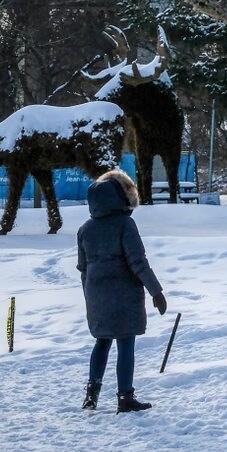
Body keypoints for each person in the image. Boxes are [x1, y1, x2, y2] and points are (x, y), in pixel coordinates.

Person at [75, 167, 167, 412]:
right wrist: (155, 291)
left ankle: (91, 396)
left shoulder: (85, 229)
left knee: (102, 342)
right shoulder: (125, 224)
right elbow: (138, 262)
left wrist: (89, 297)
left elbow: (83, 268)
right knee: (126, 342)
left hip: (95, 294)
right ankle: (125, 398)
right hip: (124, 294)